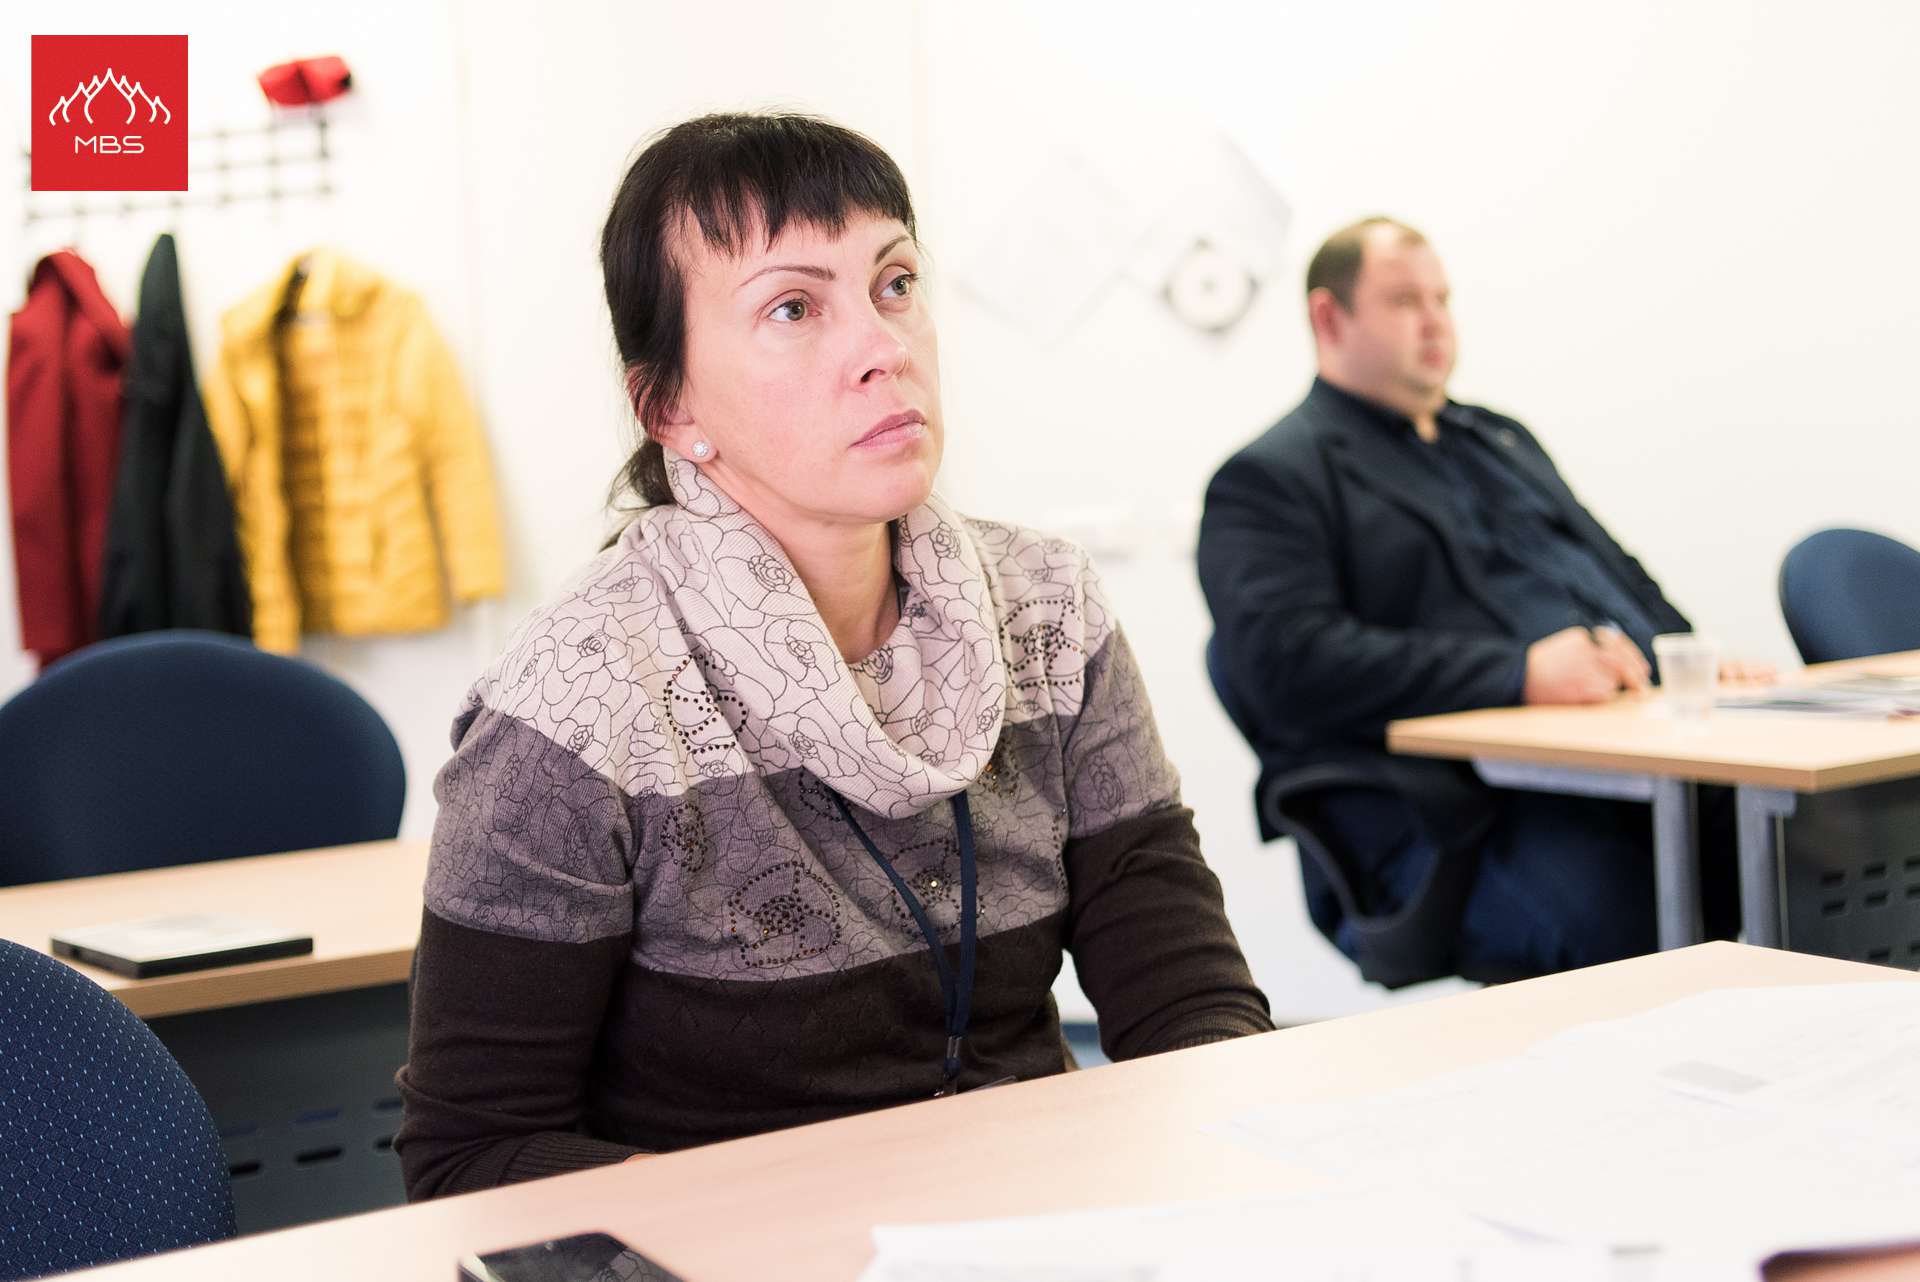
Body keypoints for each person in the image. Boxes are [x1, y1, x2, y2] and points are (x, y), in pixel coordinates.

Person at [395, 112, 1272, 1199]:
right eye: (794, 307)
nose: (883, 346)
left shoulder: (1046, 609)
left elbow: (1185, 998)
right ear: (669, 404)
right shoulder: (579, 704)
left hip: (1042, 1216)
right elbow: (475, 1157)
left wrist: (1240, 1168)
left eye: (895, 284)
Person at [1197, 216, 1767, 987]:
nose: (1435, 322)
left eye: (1442, 299)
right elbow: (1285, 661)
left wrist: (1687, 655)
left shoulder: (1498, 440)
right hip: (1458, 809)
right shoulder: (1272, 478)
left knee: (1797, 846)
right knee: (1629, 910)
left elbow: (1614, 571)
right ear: (1330, 319)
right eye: (1405, 301)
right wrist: (1517, 674)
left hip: (1610, 766)